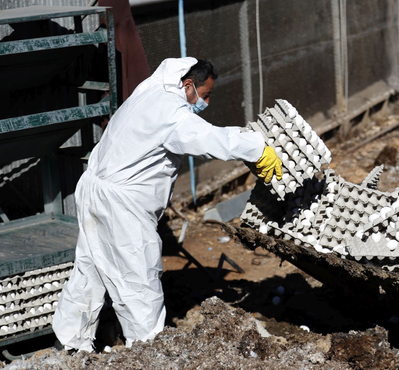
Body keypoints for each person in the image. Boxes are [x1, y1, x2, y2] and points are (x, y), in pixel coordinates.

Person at [52, 57, 282, 351]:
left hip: (95, 187)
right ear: (188, 85)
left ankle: (68, 344)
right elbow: (209, 138)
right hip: (122, 205)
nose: (207, 103)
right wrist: (257, 149)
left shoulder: (152, 88)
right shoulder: (171, 115)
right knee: (140, 283)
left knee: (90, 269)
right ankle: (146, 352)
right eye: (206, 94)